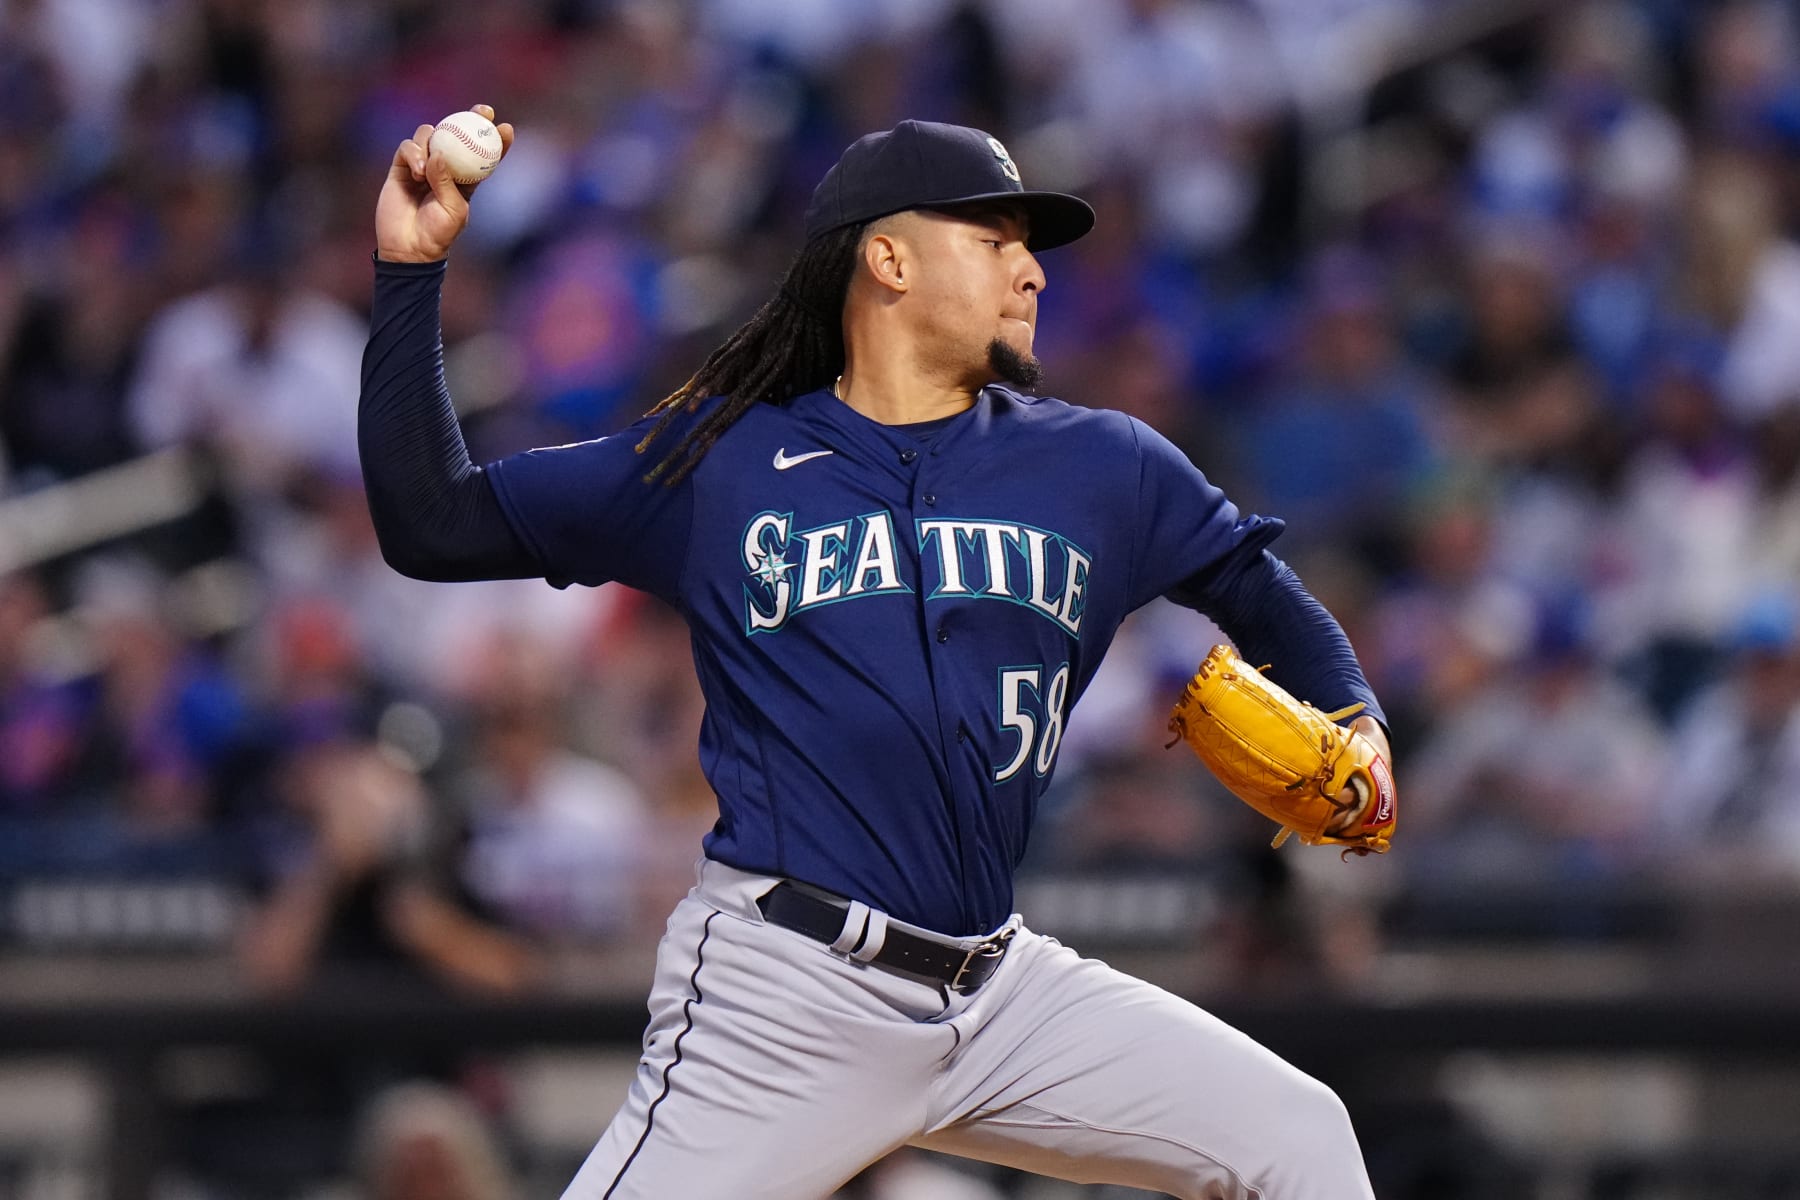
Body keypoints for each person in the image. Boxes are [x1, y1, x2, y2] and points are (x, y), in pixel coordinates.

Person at [360, 107, 1394, 1200]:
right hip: (787, 993)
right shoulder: (720, 460)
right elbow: (434, 523)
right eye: (994, 241)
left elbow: (1256, 588)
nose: (1032, 272)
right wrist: (409, 274)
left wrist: (1357, 719)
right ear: (889, 259)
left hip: (1000, 993)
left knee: (1300, 1138)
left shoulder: (1103, 466)